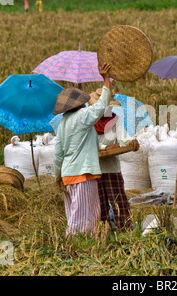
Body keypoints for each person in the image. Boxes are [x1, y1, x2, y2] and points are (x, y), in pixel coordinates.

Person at [53, 63, 112, 236]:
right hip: (83, 175)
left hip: (68, 175)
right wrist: (106, 79)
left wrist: (57, 177)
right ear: (80, 104)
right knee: (84, 218)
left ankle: (76, 245)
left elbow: (58, 154)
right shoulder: (83, 116)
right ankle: (77, 246)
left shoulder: (62, 124)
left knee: (74, 213)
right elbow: (101, 106)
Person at [88, 88, 137, 231]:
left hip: (111, 168)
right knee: (99, 204)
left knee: (119, 202)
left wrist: (131, 142)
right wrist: (105, 147)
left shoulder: (115, 120)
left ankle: (126, 231)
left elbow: (124, 138)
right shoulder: (89, 122)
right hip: (94, 168)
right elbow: (87, 142)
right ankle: (103, 233)